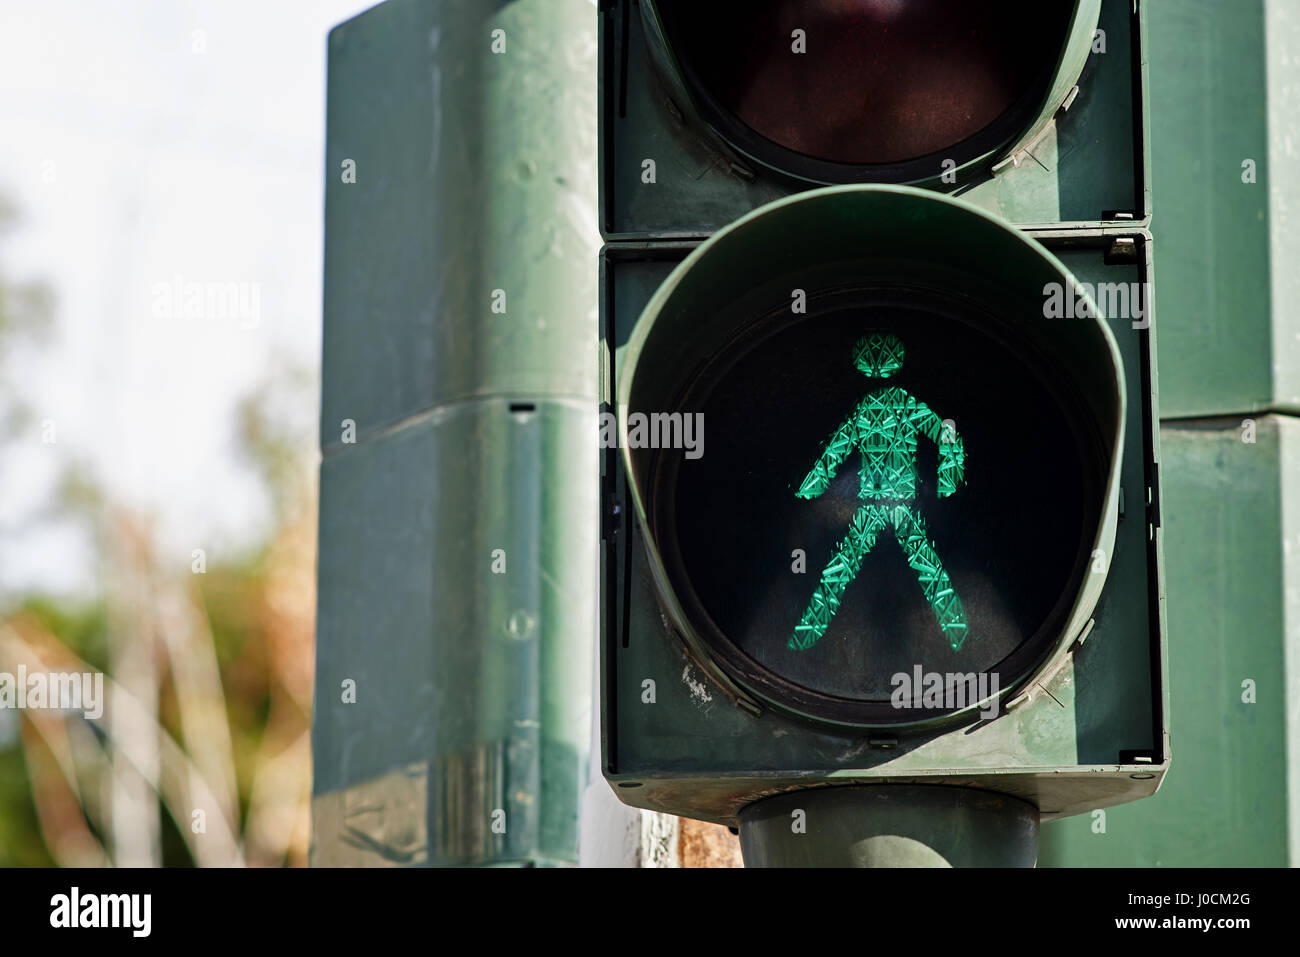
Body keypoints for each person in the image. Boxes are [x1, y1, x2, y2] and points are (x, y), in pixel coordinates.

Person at [791, 332, 970, 652]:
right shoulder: (893, 405)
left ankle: (807, 635)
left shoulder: (894, 404)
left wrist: (948, 481)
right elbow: (839, 447)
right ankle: (960, 636)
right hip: (886, 501)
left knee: (844, 568)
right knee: (924, 570)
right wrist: (948, 481)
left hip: (889, 501)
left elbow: (837, 448)